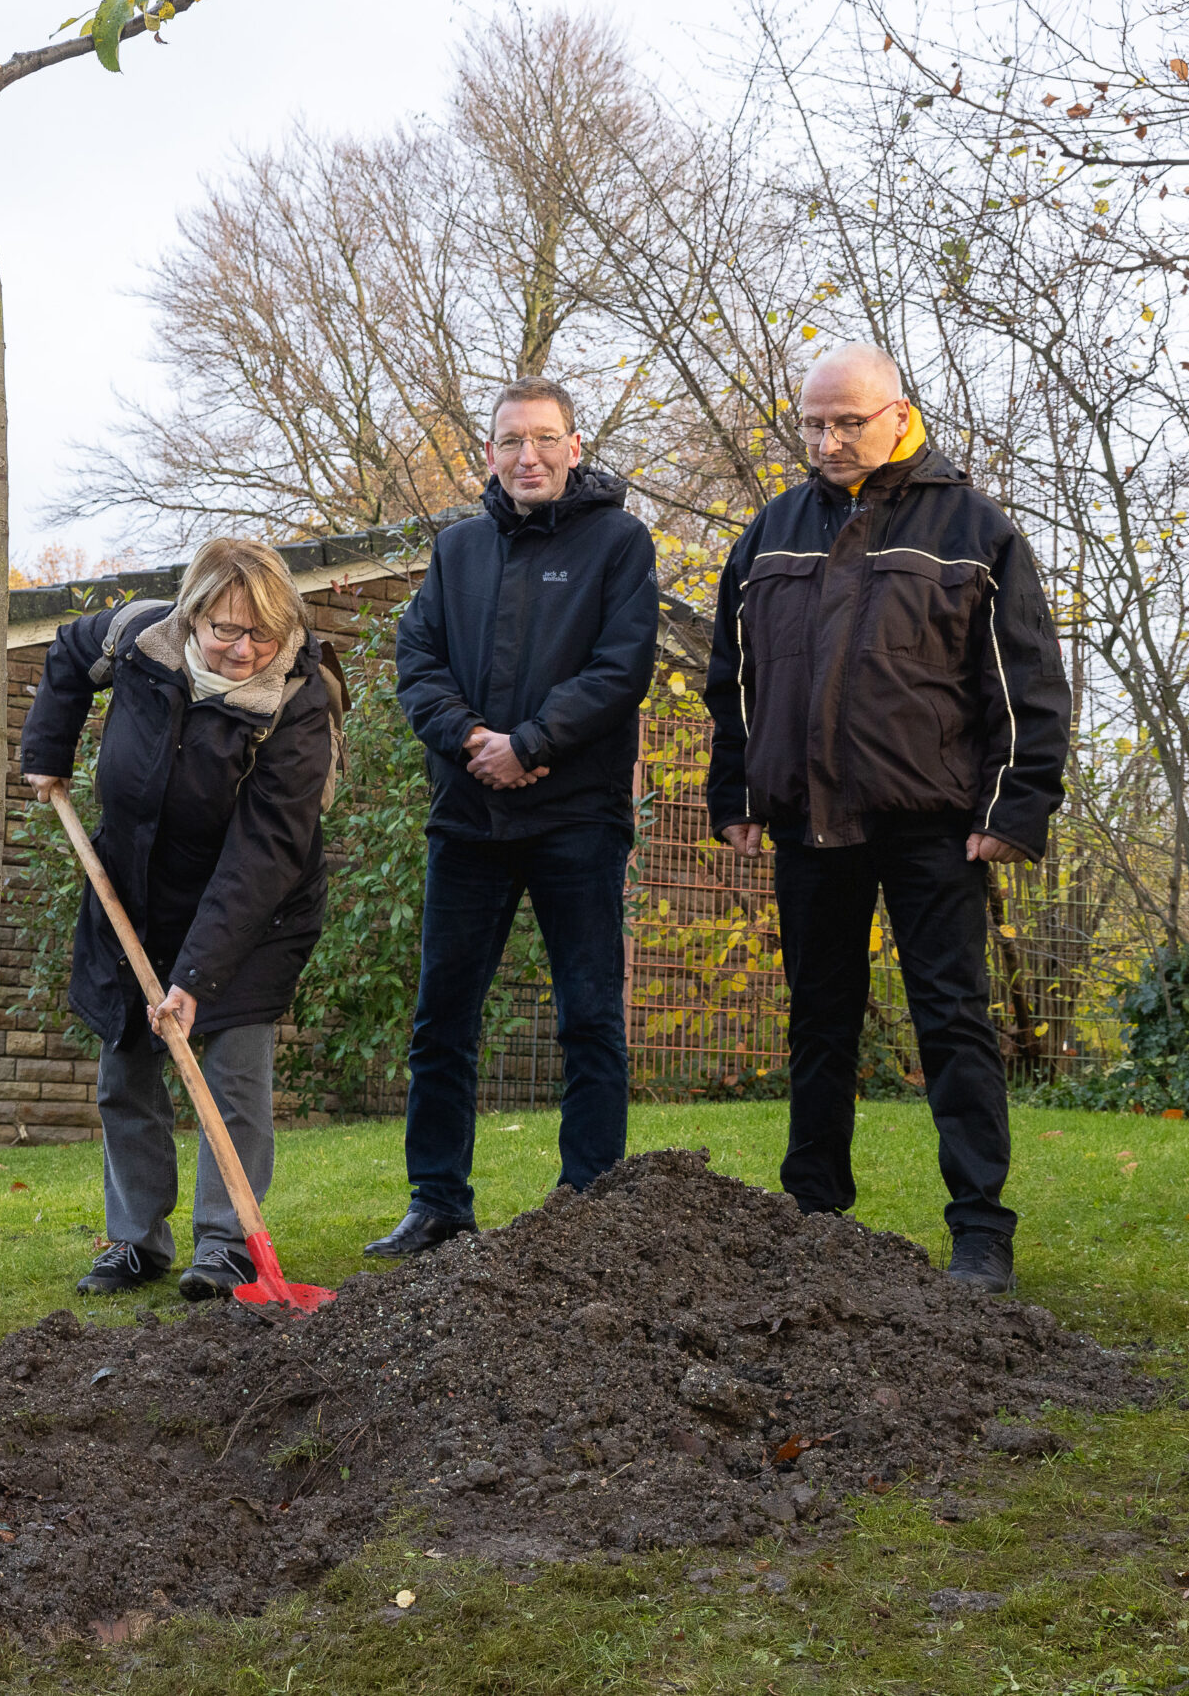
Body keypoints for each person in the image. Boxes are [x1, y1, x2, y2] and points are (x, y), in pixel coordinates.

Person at [704, 342, 1070, 1294]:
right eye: (813, 423)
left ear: (899, 414)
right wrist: (737, 795)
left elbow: (1026, 686)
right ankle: (812, 1215)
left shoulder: (974, 529)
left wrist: (1011, 808)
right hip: (806, 820)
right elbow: (731, 683)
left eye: (846, 423)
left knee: (952, 1017)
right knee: (818, 1020)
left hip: (934, 824)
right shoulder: (772, 531)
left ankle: (980, 1230)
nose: (827, 440)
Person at [369, 376, 659, 1258]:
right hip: (467, 818)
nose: (526, 457)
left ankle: (589, 1202)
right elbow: (416, 658)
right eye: (509, 442)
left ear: (575, 447)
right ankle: (437, 1204)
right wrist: (469, 740)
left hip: (576, 817)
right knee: (443, 1018)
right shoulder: (455, 549)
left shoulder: (620, 542)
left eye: (544, 440)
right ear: (488, 453)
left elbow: (621, 668)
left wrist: (530, 743)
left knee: (588, 1015)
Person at [21, 539, 334, 1299]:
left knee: (228, 1071)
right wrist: (47, 747)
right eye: (226, 629)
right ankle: (136, 1242)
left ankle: (227, 1244)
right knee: (126, 1065)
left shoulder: (298, 703)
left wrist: (194, 978)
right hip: (133, 886)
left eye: (262, 633)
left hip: (255, 911)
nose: (243, 648)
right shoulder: (140, 639)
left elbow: (263, 856)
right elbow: (67, 652)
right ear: (191, 615)